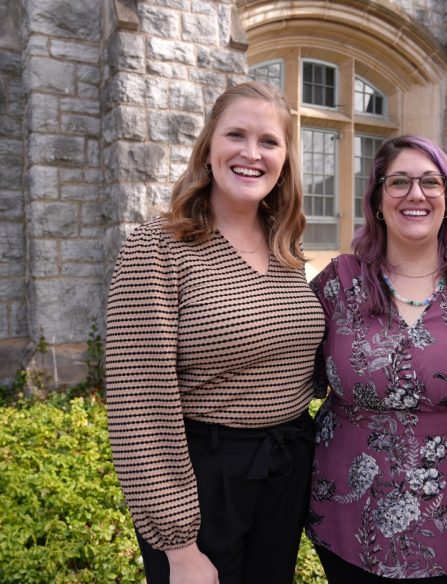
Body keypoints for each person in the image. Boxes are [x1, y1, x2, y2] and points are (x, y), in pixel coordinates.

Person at [105, 81, 325, 584]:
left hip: (284, 469)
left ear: (286, 159)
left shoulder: (285, 249)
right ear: (208, 149)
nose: (252, 154)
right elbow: (140, 402)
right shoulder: (158, 248)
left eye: (269, 141)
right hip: (204, 480)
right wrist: (179, 547)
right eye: (236, 136)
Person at [306, 135, 447, 583]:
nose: (416, 194)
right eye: (399, 182)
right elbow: (294, 378)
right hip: (348, 515)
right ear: (376, 199)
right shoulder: (339, 283)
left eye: (431, 182)